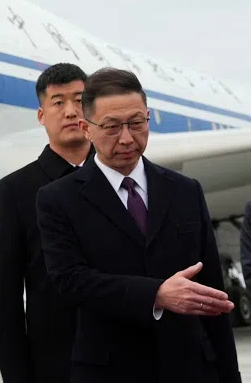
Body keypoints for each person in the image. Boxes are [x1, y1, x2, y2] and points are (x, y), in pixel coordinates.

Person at [36, 67, 240, 383]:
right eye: (112, 127)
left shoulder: (186, 190)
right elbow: (70, 280)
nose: (127, 138)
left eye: (136, 123)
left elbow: (213, 295)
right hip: (110, 371)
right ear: (86, 128)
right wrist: (156, 293)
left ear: (148, 117)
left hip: (190, 368)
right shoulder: (58, 198)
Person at [0, 62, 93, 383]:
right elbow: (5, 305)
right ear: (41, 115)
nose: (71, 111)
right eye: (58, 102)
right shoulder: (15, 192)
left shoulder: (119, 181)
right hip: (56, 368)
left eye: (80, 101)